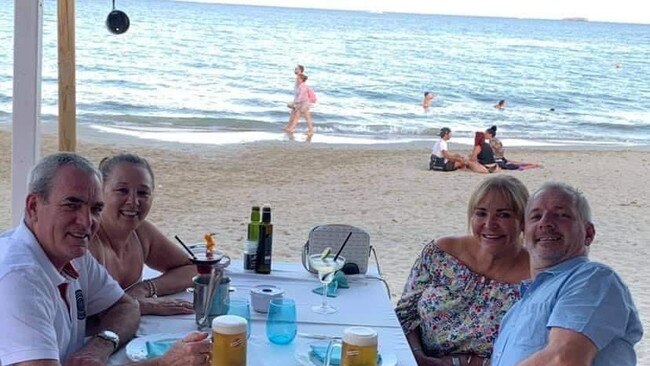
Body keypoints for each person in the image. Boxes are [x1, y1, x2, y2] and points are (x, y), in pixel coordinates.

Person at [0, 152, 211, 366]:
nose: (86, 222)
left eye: (95, 209)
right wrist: (164, 363)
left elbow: (125, 307)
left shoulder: (71, 252)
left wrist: (100, 345)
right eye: (71, 204)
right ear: (33, 206)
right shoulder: (18, 278)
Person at [491, 182, 643, 366]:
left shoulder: (593, 279)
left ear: (588, 233)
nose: (545, 223)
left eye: (561, 215)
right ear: (524, 233)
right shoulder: (517, 309)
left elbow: (563, 359)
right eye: (536, 216)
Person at [396, 176, 531, 365]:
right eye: (481, 213)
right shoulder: (440, 253)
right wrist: (418, 357)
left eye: (504, 215)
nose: (489, 224)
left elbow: (531, 347)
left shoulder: (535, 278)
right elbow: (405, 314)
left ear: (524, 221)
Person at [90, 153, 197, 316]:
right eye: (122, 190)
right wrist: (141, 304)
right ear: (100, 192)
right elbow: (84, 309)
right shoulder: (88, 240)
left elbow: (192, 269)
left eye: (143, 193)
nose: (133, 201)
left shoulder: (141, 232)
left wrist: (145, 288)